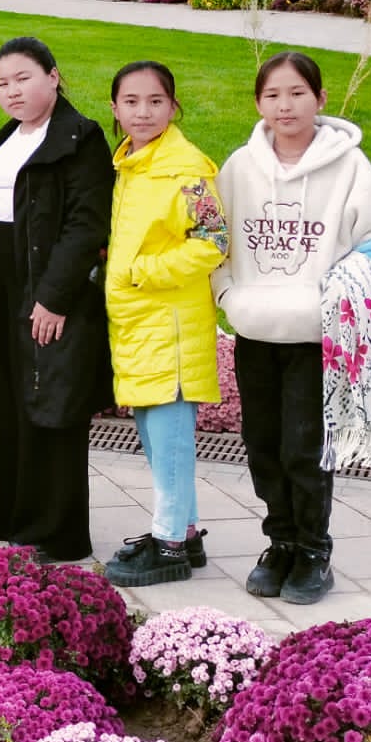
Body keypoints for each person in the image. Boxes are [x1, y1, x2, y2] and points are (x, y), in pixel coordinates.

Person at [213, 50, 371, 604]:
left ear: (319, 98)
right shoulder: (239, 168)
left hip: (316, 338)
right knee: (262, 444)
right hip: (254, 331)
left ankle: (314, 551)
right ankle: (281, 543)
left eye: (297, 92)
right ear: (258, 103)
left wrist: (337, 300)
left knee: (304, 447)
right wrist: (228, 296)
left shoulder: (350, 167)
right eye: (272, 94)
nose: (285, 105)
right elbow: (213, 238)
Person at [0, 36, 113, 563]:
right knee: (8, 398)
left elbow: (85, 225)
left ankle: (56, 531)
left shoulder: (80, 138)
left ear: (53, 77)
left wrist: (54, 297)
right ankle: (14, 515)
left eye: (23, 78)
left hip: (47, 288)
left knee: (51, 400)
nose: (12, 91)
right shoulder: (8, 137)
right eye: (2, 83)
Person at [101, 61, 227, 586]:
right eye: (131, 102)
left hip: (170, 325)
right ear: (115, 108)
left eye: (155, 101)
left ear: (173, 107)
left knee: (170, 441)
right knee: (157, 439)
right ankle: (186, 533)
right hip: (139, 323)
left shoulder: (185, 169)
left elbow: (214, 241)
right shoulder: (132, 163)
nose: (143, 112)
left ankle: (169, 542)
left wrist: (143, 272)